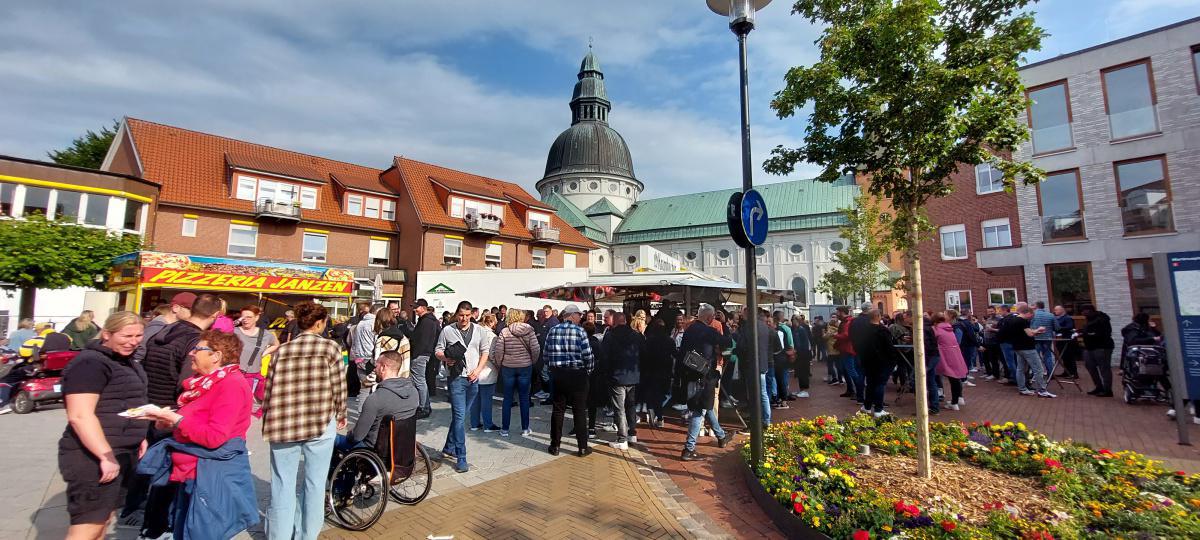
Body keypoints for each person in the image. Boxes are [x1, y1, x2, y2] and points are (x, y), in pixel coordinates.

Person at [138, 330, 257, 540]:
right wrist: (168, 422)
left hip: (208, 476)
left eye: (197, 349)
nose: (191, 353)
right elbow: (197, 420)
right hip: (191, 472)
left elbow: (214, 436)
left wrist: (177, 420)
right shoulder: (205, 383)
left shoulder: (230, 385)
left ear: (216, 356)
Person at [58, 312, 147, 540]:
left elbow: (126, 401)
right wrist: (105, 456)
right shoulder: (90, 363)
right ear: (107, 334)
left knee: (101, 521)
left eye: (139, 335)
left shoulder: (124, 360)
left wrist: (140, 435)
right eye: (127, 335)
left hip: (120, 450)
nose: (134, 341)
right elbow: (79, 415)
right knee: (87, 525)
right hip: (92, 454)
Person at [262, 302, 346, 540]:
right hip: (319, 420)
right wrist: (341, 413)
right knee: (314, 484)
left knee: (281, 485)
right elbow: (339, 387)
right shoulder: (330, 348)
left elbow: (269, 388)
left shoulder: (282, 351)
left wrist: (267, 417)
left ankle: (278, 535)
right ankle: (307, 535)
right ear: (319, 323)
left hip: (284, 422)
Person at [434, 301, 492, 473]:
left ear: (472, 314)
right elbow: (438, 350)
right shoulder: (448, 330)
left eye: (467, 315)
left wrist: (479, 370)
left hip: (473, 380)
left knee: (461, 416)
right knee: (460, 417)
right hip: (456, 379)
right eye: (461, 315)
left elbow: (485, 351)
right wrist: (446, 358)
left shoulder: (479, 330)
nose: (464, 319)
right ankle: (461, 456)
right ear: (456, 314)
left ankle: (448, 447)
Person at [679, 304, 735, 461]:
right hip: (705, 377)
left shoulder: (689, 330)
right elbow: (728, 342)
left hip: (690, 375)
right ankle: (688, 449)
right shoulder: (710, 331)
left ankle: (721, 436)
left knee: (707, 406)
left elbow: (682, 353)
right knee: (699, 411)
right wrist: (724, 324)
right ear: (710, 318)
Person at [337, 351, 418, 449]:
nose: (374, 369)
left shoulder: (376, 399)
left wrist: (350, 434)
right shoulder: (414, 392)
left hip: (375, 448)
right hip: (401, 447)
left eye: (376, 366)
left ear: (383, 367)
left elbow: (357, 437)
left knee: (332, 440)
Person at [543, 305, 595, 457]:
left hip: (559, 374)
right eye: (579, 315)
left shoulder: (553, 331)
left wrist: (552, 368)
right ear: (572, 315)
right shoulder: (580, 331)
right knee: (579, 411)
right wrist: (589, 371)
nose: (580, 317)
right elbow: (588, 355)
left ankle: (555, 446)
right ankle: (583, 447)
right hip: (577, 374)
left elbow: (545, 355)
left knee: (558, 410)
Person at [491, 308, 540, 437]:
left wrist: (500, 363)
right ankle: (525, 428)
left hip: (508, 367)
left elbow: (499, 351)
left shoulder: (505, 331)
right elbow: (536, 349)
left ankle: (505, 429)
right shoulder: (529, 330)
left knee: (507, 398)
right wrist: (532, 361)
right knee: (524, 398)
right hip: (525, 367)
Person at [601, 313, 643, 450]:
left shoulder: (610, 336)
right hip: (633, 376)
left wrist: (606, 374)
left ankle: (622, 438)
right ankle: (632, 434)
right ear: (626, 321)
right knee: (630, 406)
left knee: (619, 409)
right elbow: (644, 353)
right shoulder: (637, 336)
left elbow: (604, 357)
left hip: (616, 377)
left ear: (615, 322)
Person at [854, 309, 899, 416]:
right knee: (880, 384)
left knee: (870, 384)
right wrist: (894, 360)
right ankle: (878, 409)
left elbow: (858, 345)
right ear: (878, 316)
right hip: (882, 362)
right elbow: (889, 347)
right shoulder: (883, 330)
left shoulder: (863, 331)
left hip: (868, 361)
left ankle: (867, 406)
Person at [1006, 305, 1056, 398]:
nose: (1032, 317)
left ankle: (1022, 389)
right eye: (1031, 315)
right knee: (1038, 369)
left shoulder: (1012, 320)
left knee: (1020, 369)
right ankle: (1042, 390)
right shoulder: (1023, 321)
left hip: (1017, 347)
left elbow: (1023, 333)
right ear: (1028, 313)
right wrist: (1038, 330)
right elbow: (1029, 334)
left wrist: (1035, 332)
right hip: (1027, 348)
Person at [234, 305, 279, 406]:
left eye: (249, 317)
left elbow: (276, 344)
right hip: (234, 375)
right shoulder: (234, 332)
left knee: (244, 405)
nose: (245, 320)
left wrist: (264, 352)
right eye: (242, 317)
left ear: (257, 317)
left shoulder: (266, 334)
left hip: (252, 376)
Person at [641, 318, 675, 427]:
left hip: (650, 370)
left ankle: (651, 411)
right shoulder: (669, 341)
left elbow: (644, 356)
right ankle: (659, 417)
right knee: (661, 395)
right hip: (665, 371)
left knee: (651, 393)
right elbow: (675, 354)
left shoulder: (649, 340)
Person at [469, 313, 500, 433]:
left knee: (475, 398)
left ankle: (474, 423)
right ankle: (488, 424)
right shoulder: (492, 336)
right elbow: (492, 354)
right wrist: (498, 366)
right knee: (487, 399)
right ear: (491, 322)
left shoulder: (474, 333)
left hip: (474, 370)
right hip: (487, 370)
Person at [409, 299, 439, 417]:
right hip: (423, 354)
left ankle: (423, 407)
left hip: (420, 354)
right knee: (420, 381)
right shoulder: (427, 320)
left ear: (423, 307)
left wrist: (416, 354)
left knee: (419, 381)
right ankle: (425, 405)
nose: (414, 310)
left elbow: (423, 340)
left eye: (416, 307)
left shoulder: (426, 322)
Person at [933, 311, 969, 410]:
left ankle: (954, 402)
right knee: (955, 378)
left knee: (952, 378)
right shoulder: (949, 328)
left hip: (945, 355)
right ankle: (957, 399)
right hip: (955, 354)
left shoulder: (937, 329)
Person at [1081, 304, 1114, 397]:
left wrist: (1088, 334)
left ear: (1089, 311)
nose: (1082, 313)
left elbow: (1105, 333)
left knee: (1104, 368)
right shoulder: (1089, 319)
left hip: (1102, 347)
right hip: (1089, 347)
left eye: (1084, 311)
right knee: (1090, 366)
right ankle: (1098, 386)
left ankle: (1107, 390)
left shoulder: (1102, 319)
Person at [348, 304, 378, 400]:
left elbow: (349, 340)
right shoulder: (374, 323)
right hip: (369, 357)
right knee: (371, 385)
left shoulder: (357, 325)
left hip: (356, 356)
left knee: (364, 385)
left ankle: (361, 410)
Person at [1032, 301, 1057, 381]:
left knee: (1035, 356)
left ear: (1036, 306)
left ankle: (1037, 374)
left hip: (1035, 338)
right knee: (1048, 356)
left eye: (1033, 305)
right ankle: (1050, 373)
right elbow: (1057, 327)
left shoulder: (1032, 315)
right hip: (1047, 338)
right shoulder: (1050, 315)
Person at [1052, 305, 1079, 379]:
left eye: (1056, 310)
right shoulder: (1057, 318)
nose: (1055, 311)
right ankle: (1066, 372)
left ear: (1062, 310)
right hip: (1060, 340)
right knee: (1064, 356)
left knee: (1070, 356)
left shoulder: (1067, 318)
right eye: (1055, 310)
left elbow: (1070, 327)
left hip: (1067, 340)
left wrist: (1059, 328)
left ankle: (1074, 373)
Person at [790, 315, 812, 398]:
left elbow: (804, 343)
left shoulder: (801, 330)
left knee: (803, 373)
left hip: (802, 355)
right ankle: (801, 389)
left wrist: (798, 351)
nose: (792, 321)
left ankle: (804, 390)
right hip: (800, 354)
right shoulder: (796, 329)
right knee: (800, 372)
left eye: (793, 320)